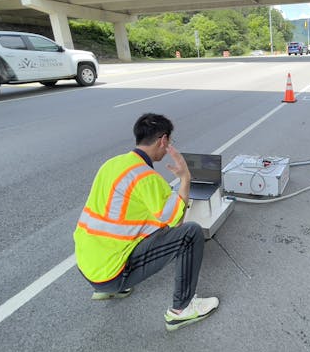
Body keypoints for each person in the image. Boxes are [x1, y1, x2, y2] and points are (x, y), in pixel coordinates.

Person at [73, 113, 218, 331]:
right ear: (163, 140)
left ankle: (111, 289)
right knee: (191, 234)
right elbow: (177, 222)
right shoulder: (146, 177)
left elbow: (119, 212)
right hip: (110, 274)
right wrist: (185, 178)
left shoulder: (112, 164)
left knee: (154, 228)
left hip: (87, 264)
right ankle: (182, 309)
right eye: (169, 141)